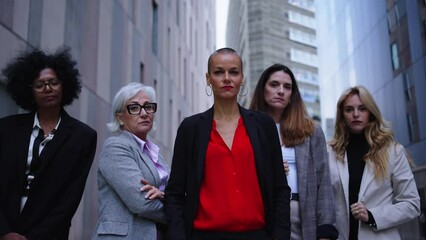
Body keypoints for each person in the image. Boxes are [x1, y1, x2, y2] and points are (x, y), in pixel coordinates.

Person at [165, 48, 291, 240]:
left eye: (233, 72)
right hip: (203, 235)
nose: (226, 78)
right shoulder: (191, 128)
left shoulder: (263, 125)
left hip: (258, 235)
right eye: (218, 72)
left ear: (242, 78)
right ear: (208, 78)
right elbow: (174, 193)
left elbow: (280, 189)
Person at [0, 47, 97, 240]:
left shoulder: (83, 136)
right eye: (39, 84)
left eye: (54, 82)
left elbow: (70, 198)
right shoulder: (6, 129)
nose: (48, 89)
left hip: (49, 235)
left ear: (64, 85)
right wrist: (3, 231)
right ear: (29, 90)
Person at [249, 64, 338, 240]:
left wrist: (326, 231)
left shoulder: (311, 131)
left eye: (287, 87)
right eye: (274, 85)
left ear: (292, 95)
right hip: (260, 216)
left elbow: (324, 183)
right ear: (262, 89)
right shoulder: (248, 129)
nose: (281, 91)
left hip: (304, 217)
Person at [327, 85, 421, 239]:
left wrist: (372, 216)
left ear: (370, 112)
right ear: (342, 115)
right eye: (349, 109)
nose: (356, 114)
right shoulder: (328, 152)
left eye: (362, 108)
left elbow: (412, 203)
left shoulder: (393, 151)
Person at [92, 82, 169, 240]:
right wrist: (178, 211)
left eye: (148, 106)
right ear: (120, 117)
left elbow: (177, 192)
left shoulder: (154, 153)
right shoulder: (116, 147)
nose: (144, 113)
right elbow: (141, 202)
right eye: (134, 108)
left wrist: (162, 195)